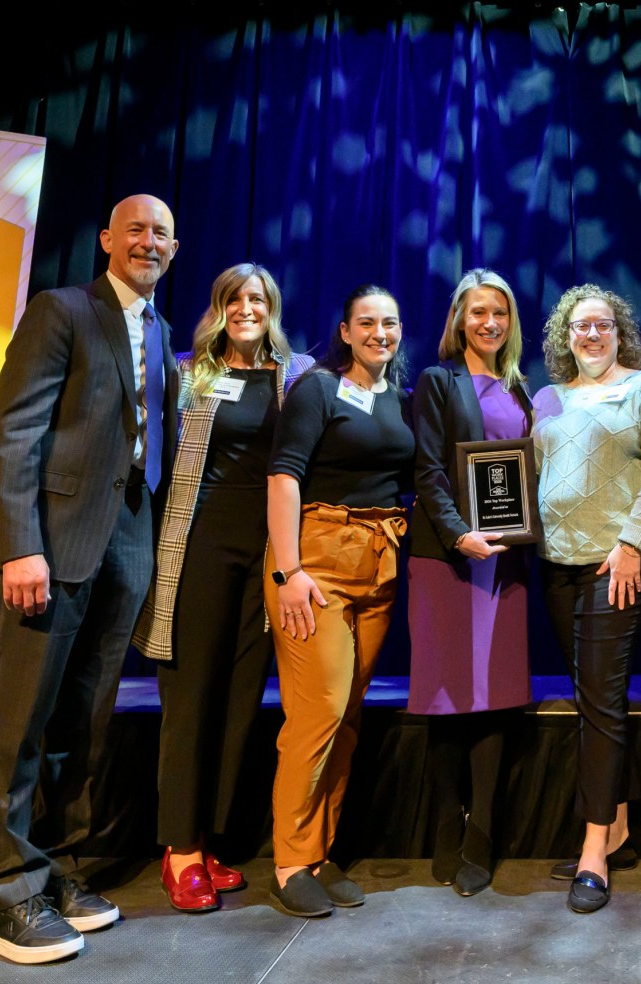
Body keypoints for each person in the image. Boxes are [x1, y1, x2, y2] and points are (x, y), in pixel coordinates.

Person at [0, 194, 180, 963]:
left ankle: (53, 869)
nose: (148, 242)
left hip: (127, 542)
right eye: (135, 229)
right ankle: (5, 897)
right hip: (53, 546)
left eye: (161, 232)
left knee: (81, 722)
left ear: (175, 247)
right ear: (106, 239)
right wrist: (18, 546)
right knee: (22, 722)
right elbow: (16, 429)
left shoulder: (159, 331)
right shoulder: (62, 310)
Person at [133, 262, 314, 913]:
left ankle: (205, 841)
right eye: (234, 298)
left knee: (240, 705)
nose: (247, 307)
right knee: (192, 702)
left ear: (272, 307)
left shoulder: (295, 378)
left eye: (258, 298)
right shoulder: (189, 375)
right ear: (219, 307)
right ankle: (179, 851)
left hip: (264, 559)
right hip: (199, 551)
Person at [530, 284, 641, 914]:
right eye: (579, 328)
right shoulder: (546, 397)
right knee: (591, 694)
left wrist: (629, 543)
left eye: (602, 327)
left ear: (619, 332)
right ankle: (615, 828)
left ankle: (593, 851)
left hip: (618, 563)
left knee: (599, 698)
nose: (591, 337)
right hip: (556, 564)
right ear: (564, 338)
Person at [263, 285, 416, 918]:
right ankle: (291, 860)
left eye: (390, 322)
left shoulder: (398, 402)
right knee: (317, 711)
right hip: (315, 563)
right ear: (345, 331)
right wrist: (288, 571)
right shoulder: (318, 388)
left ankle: (320, 852)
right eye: (367, 323)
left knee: (347, 714)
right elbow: (283, 476)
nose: (380, 332)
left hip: (378, 561)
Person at [406, 269, 536, 898]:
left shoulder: (523, 389)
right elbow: (428, 470)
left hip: (505, 561)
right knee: (446, 692)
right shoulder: (437, 381)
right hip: (448, 558)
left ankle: (481, 832)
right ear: (459, 317)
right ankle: (443, 822)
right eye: (479, 312)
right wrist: (460, 533)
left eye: (501, 314)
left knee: (498, 692)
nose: (490, 323)